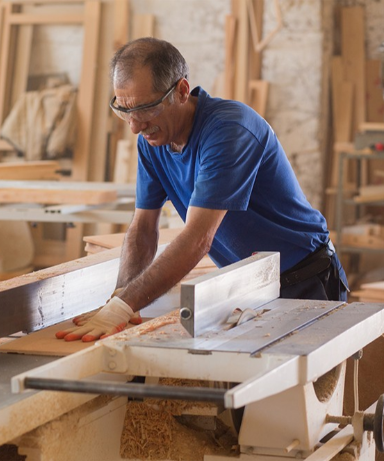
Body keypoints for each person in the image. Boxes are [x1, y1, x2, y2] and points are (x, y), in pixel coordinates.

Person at [56, 37, 348, 343]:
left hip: (305, 278)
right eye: (125, 111)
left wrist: (124, 305)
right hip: (250, 284)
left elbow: (197, 239)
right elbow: (143, 228)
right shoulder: (153, 141)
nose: (135, 127)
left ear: (182, 91)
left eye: (146, 109)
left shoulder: (229, 130)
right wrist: (120, 299)